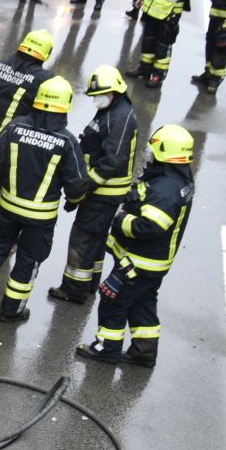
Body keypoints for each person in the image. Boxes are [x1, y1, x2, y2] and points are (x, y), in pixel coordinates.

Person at [0, 76, 89, 323]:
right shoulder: (67, 142)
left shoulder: (15, 127)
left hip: (7, 207)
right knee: (28, 261)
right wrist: (74, 201)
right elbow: (77, 184)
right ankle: (11, 311)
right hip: (40, 218)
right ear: (65, 106)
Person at [76, 123, 195, 367]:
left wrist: (121, 220)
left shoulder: (165, 190)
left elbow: (148, 227)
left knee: (113, 302)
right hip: (154, 264)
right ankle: (144, 351)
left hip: (138, 263)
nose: (149, 156)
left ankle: (106, 349)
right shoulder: (178, 181)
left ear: (164, 154)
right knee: (143, 303)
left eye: (154, 152)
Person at [49, 65, 138, 304]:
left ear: (115, 92)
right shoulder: (111, 110)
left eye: (101, 94)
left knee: (83, 237)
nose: (96, 99)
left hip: (104, 192)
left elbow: (113, 160)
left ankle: (73, 289)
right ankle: (89, 283)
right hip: (102, 191)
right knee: (95, 238)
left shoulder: (120, 117)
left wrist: (85, 186)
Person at [0, 28, 54, 238]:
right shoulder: (44, 80)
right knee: (13, 179)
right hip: (18, 141)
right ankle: (2, 229)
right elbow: (43, 114)